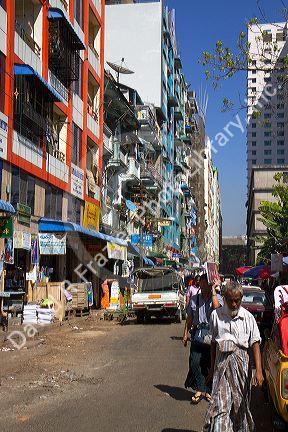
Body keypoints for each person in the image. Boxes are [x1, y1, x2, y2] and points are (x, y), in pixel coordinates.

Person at [203, 281, 264, 432]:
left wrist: (259, 371)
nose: (234, 303)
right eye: (231, 300)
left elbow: (255, 343)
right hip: (221, 366)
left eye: (238, 300)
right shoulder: (215, 316)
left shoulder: (248, 318)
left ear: (241, 299)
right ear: (224, 298)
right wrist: (211, 368)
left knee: (240, 408)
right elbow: (212, 344)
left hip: (241, 367)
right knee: (220, 407)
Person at [182, 274, 223, 404]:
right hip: (198, 335)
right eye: (201, 283)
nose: (202, 285)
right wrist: (185, 333)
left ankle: (208, 390)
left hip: (212, 335)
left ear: (210, 285)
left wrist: (214, 292)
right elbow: (189, 318)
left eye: (205, 283)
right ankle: (200, 388)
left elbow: (217, 308)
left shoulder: (216, 298)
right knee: (194, 362)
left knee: (210, 364)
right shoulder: (194, 299)